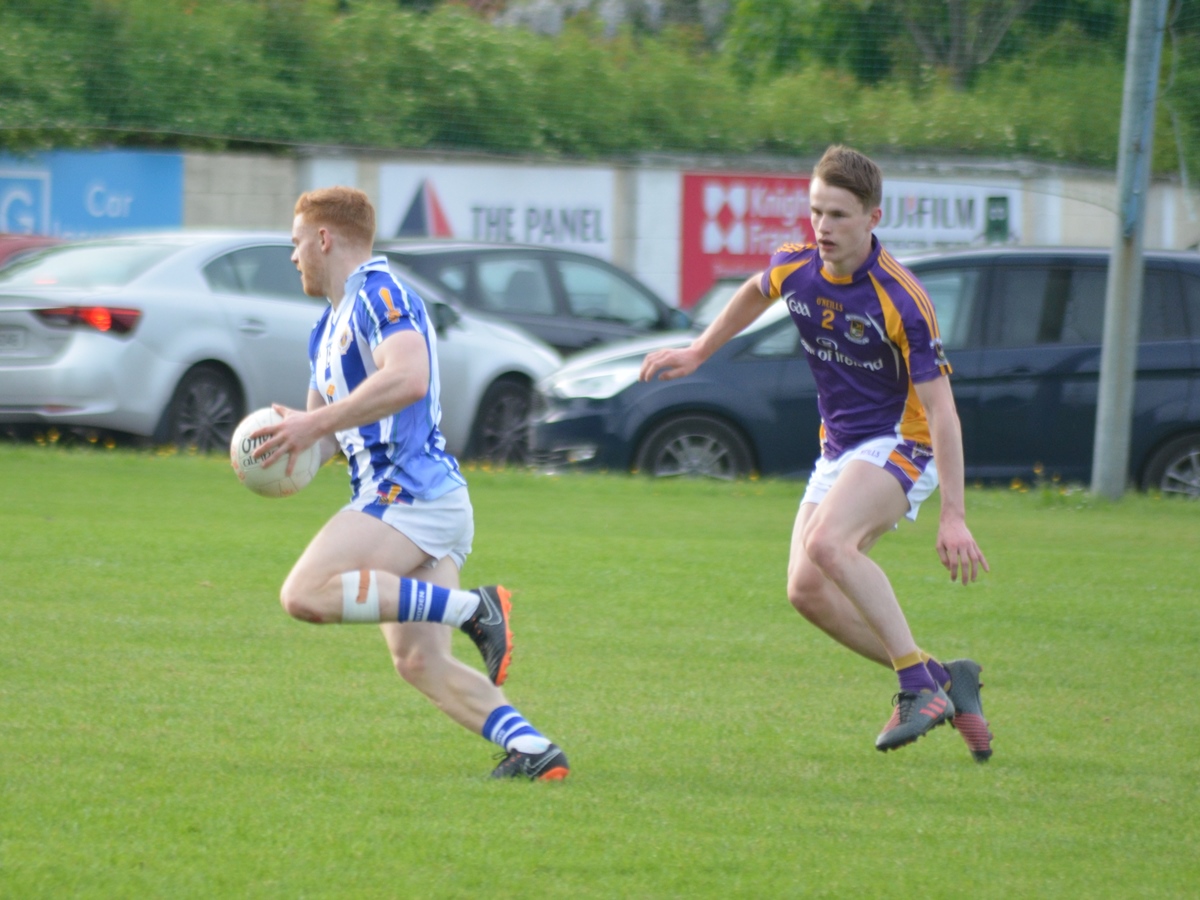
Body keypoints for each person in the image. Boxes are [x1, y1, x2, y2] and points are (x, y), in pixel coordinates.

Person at [640, 146, 993, 761]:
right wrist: (699, 350)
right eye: (815, 212)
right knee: (806, 590)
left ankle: (914, 685)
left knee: (830, 544)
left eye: (838, 215)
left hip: (902, 442)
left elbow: (942, 410)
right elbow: (755, 291)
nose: (823, 227)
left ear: (872, 218)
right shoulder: (797, 266)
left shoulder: (902, 299)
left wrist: (954, 514)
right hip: (839, 448)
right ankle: (941, 676)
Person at [250, 186, 568, 781]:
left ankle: (475, 608)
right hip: (411, 499)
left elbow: (410, 378)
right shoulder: (326, 328)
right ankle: (533, 749)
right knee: (419, 660)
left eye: (296, 243)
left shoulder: (382, 294)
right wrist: (282, 448)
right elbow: (323, 438)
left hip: (408, 494)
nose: (293, 257)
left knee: (305, 593)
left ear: (324, 239)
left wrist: (314, 422)